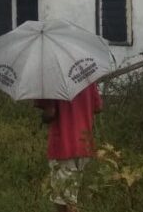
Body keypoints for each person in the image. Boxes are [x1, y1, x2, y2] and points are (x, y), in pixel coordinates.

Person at [34, 83, 103, 212]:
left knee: (66, 199)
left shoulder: (52, 80)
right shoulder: (88, 78)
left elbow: (50, 113)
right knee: (68, 195)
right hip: (84, 144)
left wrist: (43, 118)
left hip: (64, 145)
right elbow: (98, 108)